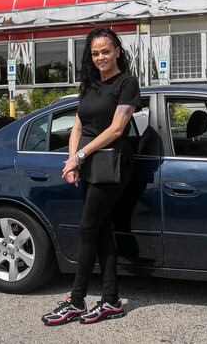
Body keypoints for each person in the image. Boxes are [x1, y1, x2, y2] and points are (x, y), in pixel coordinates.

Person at [42, 27, 140, 326]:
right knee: (101, 230)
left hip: (112, 164)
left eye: (105, 51)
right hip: (88, 164)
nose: (101, 57)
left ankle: (76, 300)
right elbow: (77, 126)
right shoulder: (89, 85)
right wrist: (72, 161)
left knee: (87, 229)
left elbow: (117, 129)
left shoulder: (127, 83)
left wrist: (81, 156)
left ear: (117, 51)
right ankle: (110, 300)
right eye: (95, 53)